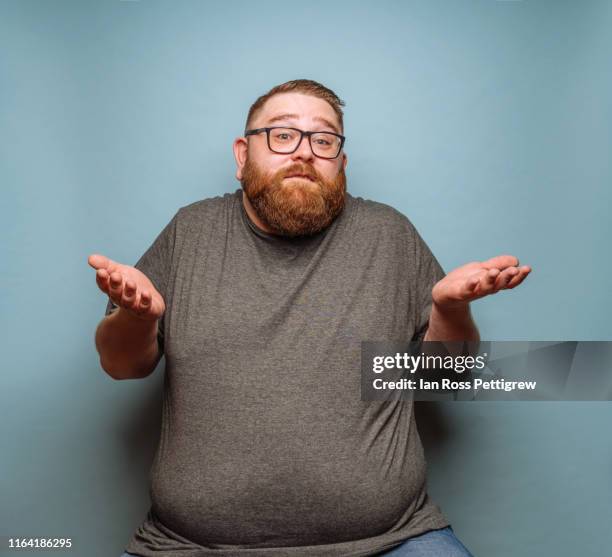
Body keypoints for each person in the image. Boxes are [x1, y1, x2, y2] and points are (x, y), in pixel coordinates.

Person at [89, 79, 530, 557]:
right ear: (242, 155)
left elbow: (450, 377)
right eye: (282, 135)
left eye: (323, 140)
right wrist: (136, 319)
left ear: (341, 163)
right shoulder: (189, 233)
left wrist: (450, 309)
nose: (303, 153)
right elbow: (122, 365)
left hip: (388, 541)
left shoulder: (389, 236)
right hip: (191, 545)